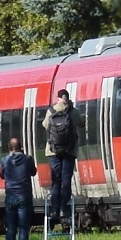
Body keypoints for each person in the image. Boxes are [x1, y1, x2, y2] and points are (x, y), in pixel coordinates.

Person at [42, 88, 82, 230]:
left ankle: (54, 209)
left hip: (53, 152)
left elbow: (45, 125)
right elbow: (81, 123)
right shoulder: (73, 111)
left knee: (56, 181)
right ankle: (64, 209)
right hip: (69, 151)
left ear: (58, 98)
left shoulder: (51, 111)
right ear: (67, 97)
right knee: (66, 180)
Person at [0, 137, 37, 240]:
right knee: (23, 229)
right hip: (24, 197)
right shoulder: (28, 159)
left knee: (11, 229)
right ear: (21, 147)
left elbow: (2, 175)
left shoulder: (4, 160)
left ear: (9, 148)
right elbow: (33, 172)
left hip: (10, 197)